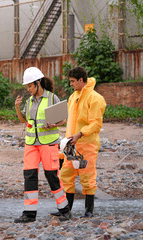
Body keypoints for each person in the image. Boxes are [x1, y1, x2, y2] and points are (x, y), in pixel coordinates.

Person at [14, 67, 71, 223]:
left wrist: (52, 124)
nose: (28, 89)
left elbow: (63, 120)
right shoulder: (29, 100)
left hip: (49, 143)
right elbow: (24, 121)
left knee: (52, 176)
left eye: (30, 86)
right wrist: (17, 107)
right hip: (31, 144)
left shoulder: (52, 98)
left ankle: (64, 210)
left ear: (38, 83)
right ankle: (29, 214)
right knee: (29, 176)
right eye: (27, 87)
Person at [51, 66, 106, 218]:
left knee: (87, 176)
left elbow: (96, 124)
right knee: (66, 174)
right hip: (71, 144)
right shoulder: (73, 97)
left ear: (81, 80)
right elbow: (69, 120)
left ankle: (89, 211)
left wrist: (80, 134)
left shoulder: (95, 98)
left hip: (87, 143)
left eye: (73, 81)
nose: (71, 84)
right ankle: (66, 209)